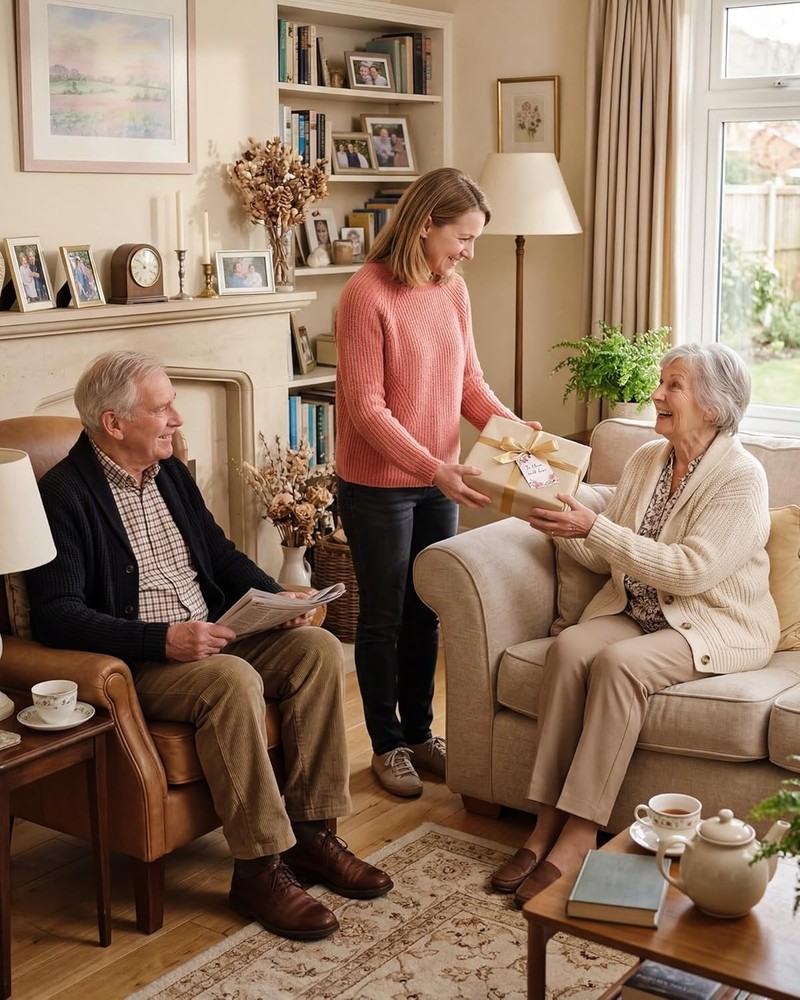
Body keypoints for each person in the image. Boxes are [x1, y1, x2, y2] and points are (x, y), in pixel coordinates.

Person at [25, 351, 392, 942]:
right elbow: (57, 616)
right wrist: (161, 639)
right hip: (143, 662)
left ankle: (312, 835)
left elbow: (219, 555)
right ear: (114, 423)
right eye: (162, 408)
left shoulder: (170, 472)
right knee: (232, 680)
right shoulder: (63, 495)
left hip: (213, 633)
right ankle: (258, 869)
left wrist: (280, 599)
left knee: (317, 649)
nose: (176, 418)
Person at [489, 343, 780, 908]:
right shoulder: (649, 458)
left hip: (713, 622)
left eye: (674, 386)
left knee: (620, 665)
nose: (656, 394)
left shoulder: (742, 478)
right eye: (660, 382)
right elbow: (610, 555)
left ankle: (579, 834)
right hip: (640, 610)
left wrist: (593, 527)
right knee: (570, 647)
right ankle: (543, 824)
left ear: (713, 407)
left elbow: (690, 571)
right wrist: (555, 521)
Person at [334, 167, 540, 798]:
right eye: (463, 238)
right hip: (378, 485)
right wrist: (433, 468)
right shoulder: (366, 294)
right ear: (426, 224)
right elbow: (365, 409)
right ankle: (387, 745)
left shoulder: (452, 289)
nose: (469, 253)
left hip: (439, 480)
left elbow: (468, 384)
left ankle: (421, 734)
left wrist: (516, 433)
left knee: (428, 611)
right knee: (384, 615)